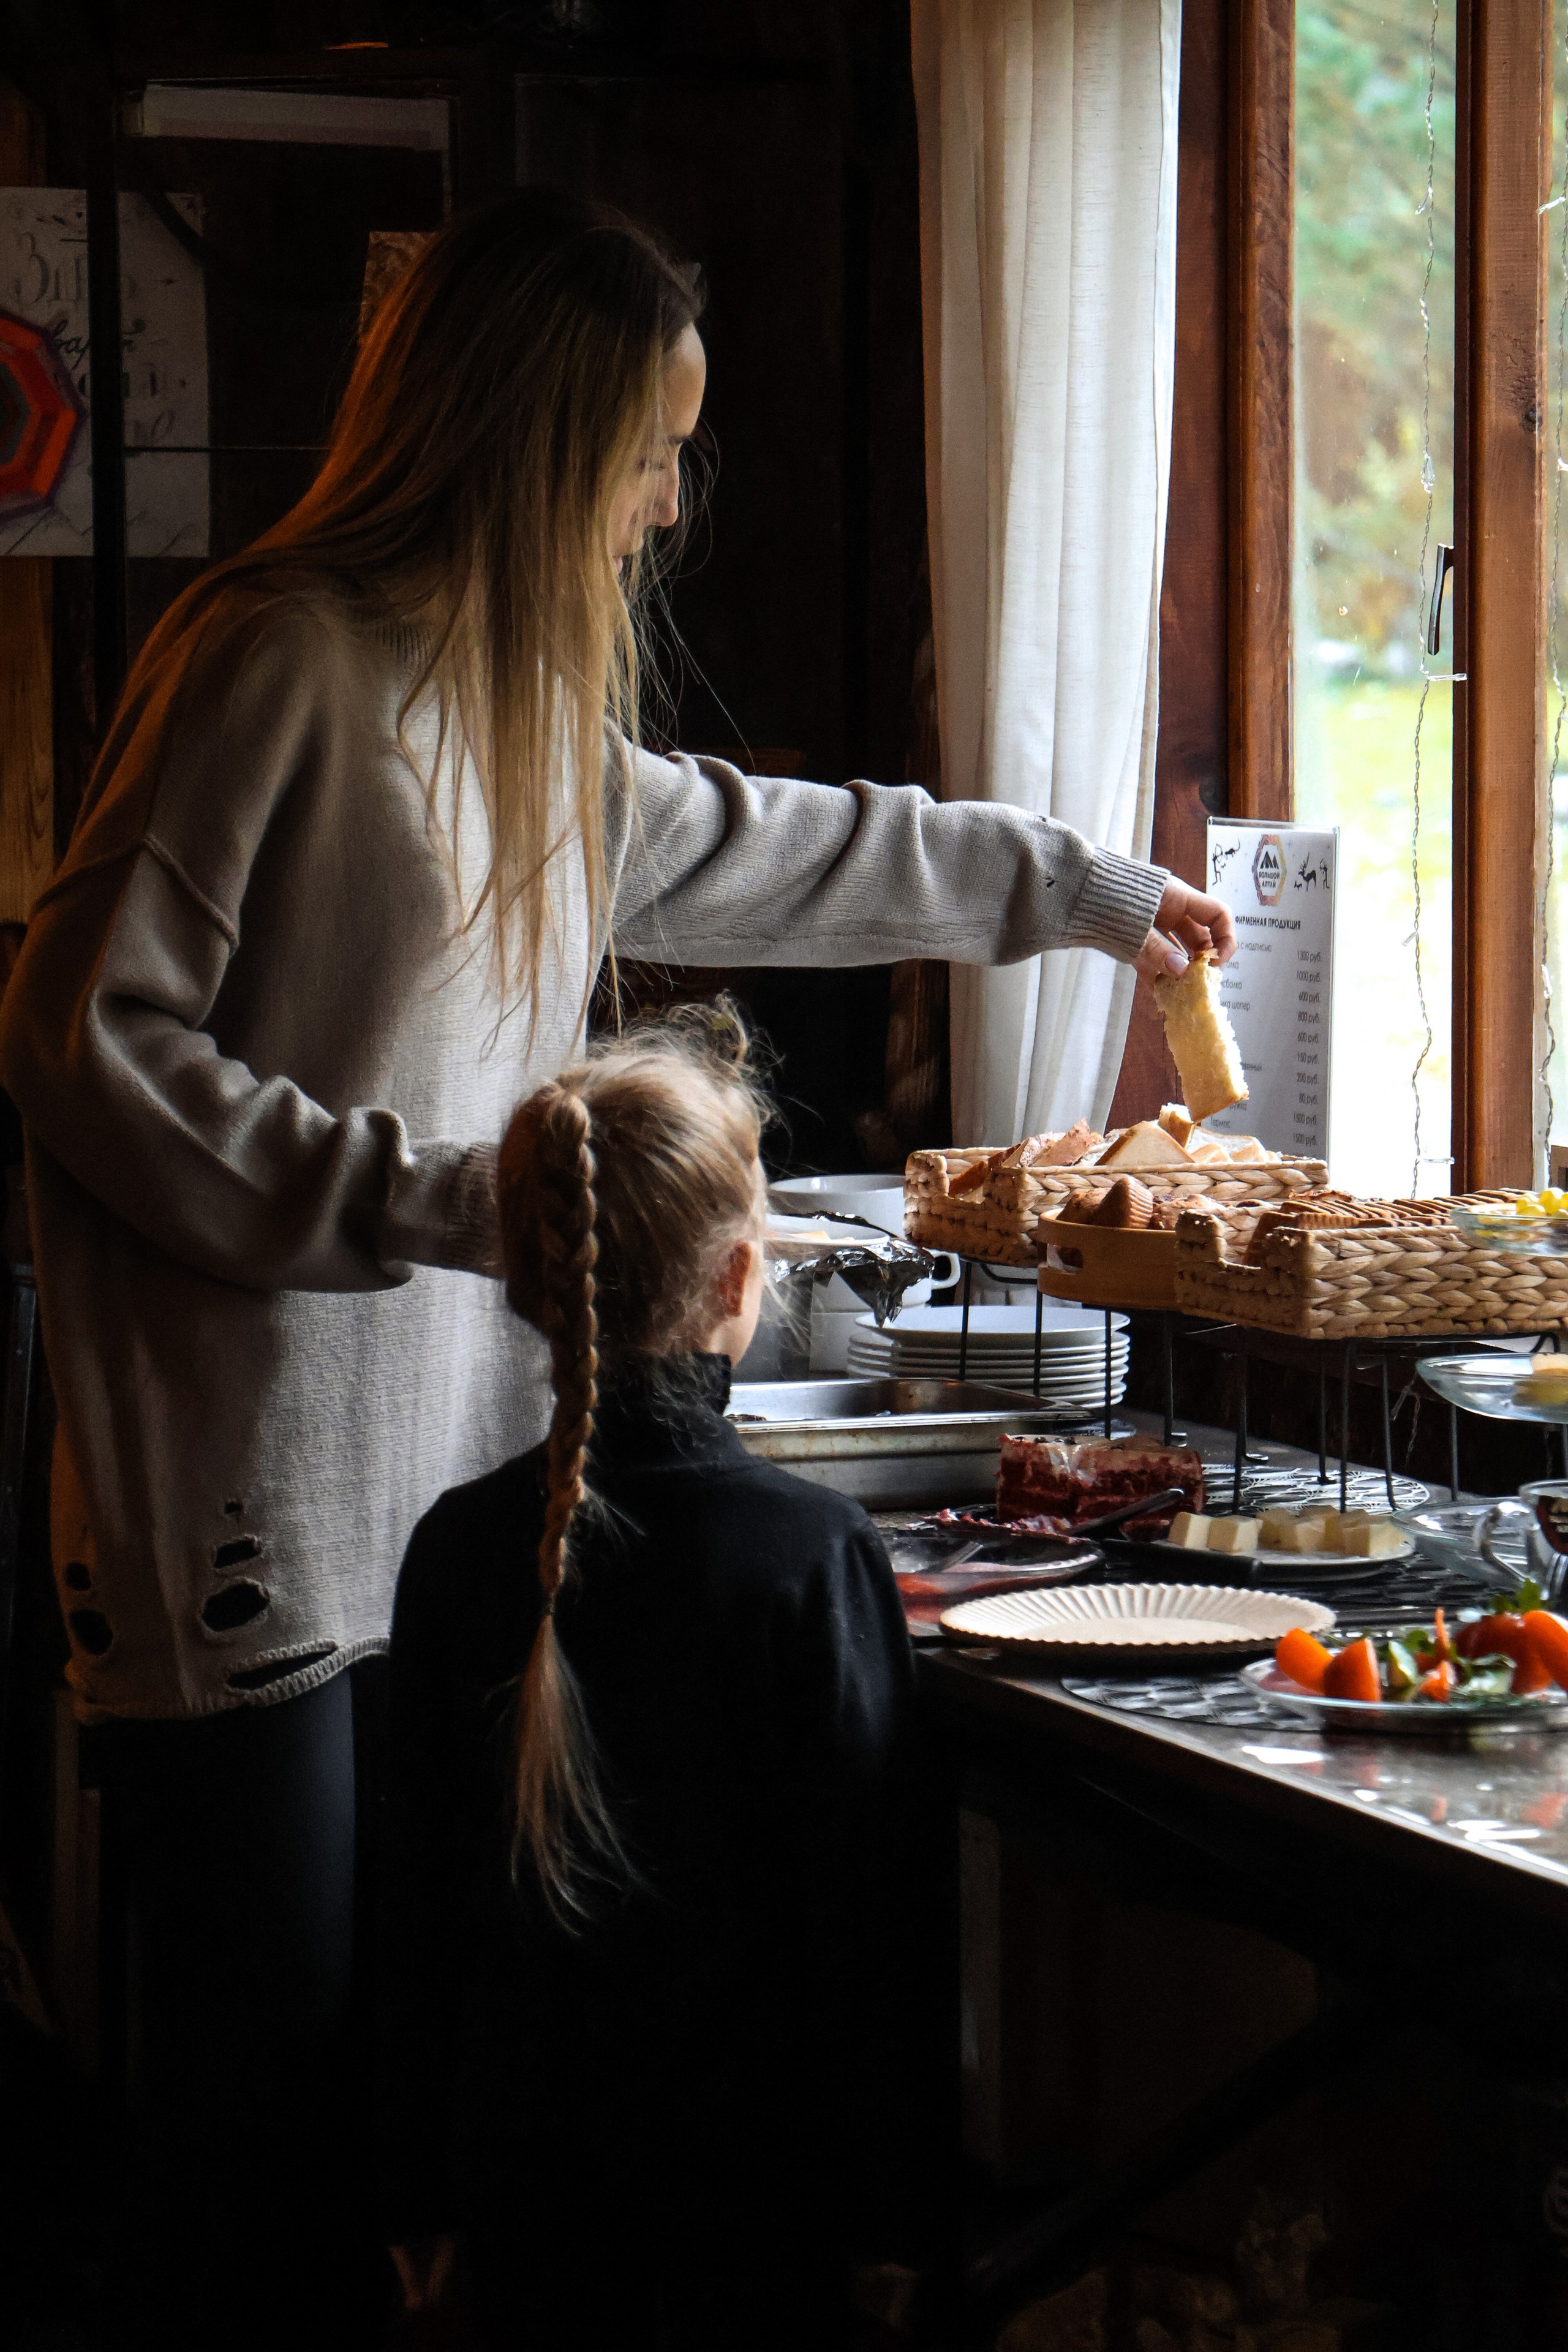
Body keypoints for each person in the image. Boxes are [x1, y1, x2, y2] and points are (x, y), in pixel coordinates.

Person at [0, 186, 1231, 2341]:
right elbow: (81, 1041)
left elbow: (787, 843)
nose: (668, 508)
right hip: (255, 1537)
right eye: (654, 451)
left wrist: (1095, 890)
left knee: (422, 2144)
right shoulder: (278, 657)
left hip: (452, 1534)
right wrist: (431, 1198)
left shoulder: (512, 718)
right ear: (546, 441)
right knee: (258, 2176)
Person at [380, 1012, 922, 2349]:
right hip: (753, 2227)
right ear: (743, 1277)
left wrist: (412, 2195)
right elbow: (869, 1942)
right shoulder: (813, 1560)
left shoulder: (455, 1549)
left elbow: (406, 1916)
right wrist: (895, 2232)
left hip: (519, 2218)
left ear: (525, 1278)